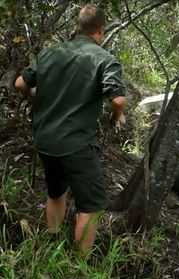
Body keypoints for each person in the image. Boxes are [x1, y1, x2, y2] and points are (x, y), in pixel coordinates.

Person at [14, 4, 126, 254]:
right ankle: (81, 263)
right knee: (91, 206)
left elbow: (21, 83)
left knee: (56, 192)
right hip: (76, 144)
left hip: (46, 140)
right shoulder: (104, 59)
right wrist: (118, 115)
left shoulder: (51, 53)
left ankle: (51, 243)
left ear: (78, 27)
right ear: (101, 30)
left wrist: (35, 97)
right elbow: (117, 99)